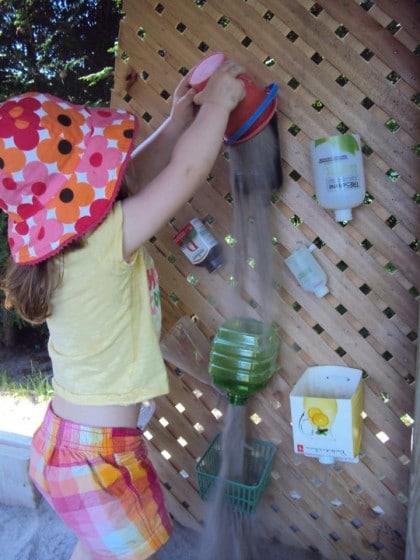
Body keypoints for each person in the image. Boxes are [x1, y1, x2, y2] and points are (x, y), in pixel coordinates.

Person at [0, 59, 245, 560]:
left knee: (97, 550)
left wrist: (178, 121)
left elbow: (130, 173)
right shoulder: (107, 237)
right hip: (99, 456)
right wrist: (217, 104)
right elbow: (185, 171)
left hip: (60, 443)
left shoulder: (59, 247)